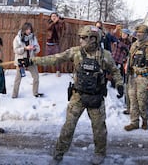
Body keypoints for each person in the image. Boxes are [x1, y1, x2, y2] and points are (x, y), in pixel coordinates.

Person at [30, 25, 124, 164]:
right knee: (68, 127)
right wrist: (33, 60)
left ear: (93, 39)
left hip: (96, 98)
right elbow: (55, 58)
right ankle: (58, 153)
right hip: (78, 96)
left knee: (99, 128)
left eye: (83, 38)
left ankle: (100, 153)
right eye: (80, 38)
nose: (80, 41)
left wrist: (119, 84)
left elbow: (115, 71)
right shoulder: (75, 52)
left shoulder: (105, 56)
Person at [124, 24, 148, 131]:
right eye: (137, 32)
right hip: (133, 77)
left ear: (146, 34)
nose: (138, 34)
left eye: (141, 33)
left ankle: (144, 119)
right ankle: (134, 122)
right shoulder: (134, 45)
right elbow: (130, 57)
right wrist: (127, 66)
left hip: (144, 78)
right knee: (132, 100)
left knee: (142, 101)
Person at [12, 22, 42, 98]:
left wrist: (34, 48)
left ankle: (35, 93)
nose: (29, 31)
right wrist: (25, 48)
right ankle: (14, 95)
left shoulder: (33, 38)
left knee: (36, 77)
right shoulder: (17, 38)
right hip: (21, 61)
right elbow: (16, 50)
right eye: (27, 29)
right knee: (18, 79)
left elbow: (38, 49)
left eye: (30, 29)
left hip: (31, 60)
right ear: (23, 29)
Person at [111, 29, 132, 115]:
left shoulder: (129, 43)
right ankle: (113, 87)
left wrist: (126, 51)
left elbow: (129, 53)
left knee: (120, 77)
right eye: (123, 33)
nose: (124, 35)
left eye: (125, 34)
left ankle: (120, 91)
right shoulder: (117, 39)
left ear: (128, 35)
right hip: (114, 59)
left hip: (121, 61)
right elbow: (110, 36)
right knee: (112, 74)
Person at [45, 12, 66, 77]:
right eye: (52, 16)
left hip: (56, 43)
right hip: (48, 43)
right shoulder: (48, 22)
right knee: (47, 58)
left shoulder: (59, 23)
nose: (53, 17)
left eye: (55, 16)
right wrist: (54, 22)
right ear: (50, 17)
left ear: (57, 17)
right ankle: (45, 71)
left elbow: (63, 28)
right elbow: (48, 28)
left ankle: (58, 71)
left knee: (58, 57)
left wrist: (60, 20)